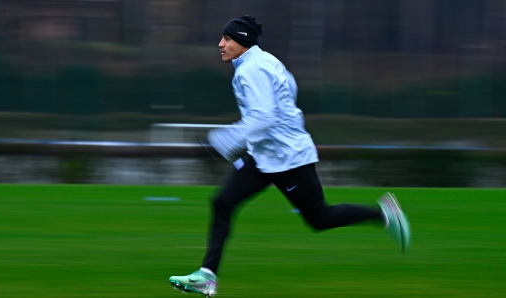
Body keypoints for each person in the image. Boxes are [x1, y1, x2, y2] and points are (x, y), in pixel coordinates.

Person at [169, 15, 411, 297]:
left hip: (288, 158)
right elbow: (288, 93)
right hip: (264, 155)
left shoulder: (251, 71)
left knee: (319, 218)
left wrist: (224, 138)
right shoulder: (266, 61)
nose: (220, 44)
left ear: (243, 42)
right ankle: (207, 277)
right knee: (223, 201)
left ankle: (383, 214)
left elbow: (265, 115)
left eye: (227, 39)